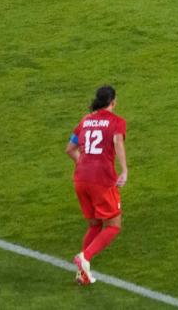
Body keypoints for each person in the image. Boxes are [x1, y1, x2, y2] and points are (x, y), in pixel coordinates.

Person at [66, 85, 128, 286]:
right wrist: (124, 170)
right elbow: (118, 142)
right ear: (113, 102)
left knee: (94, 224)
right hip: (102, 180)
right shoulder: (117, 122)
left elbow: (70, 149)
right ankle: (84, 257)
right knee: (114, 225)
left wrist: (83, 164)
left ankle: (81, 273)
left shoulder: (85, 120)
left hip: (81, 179)